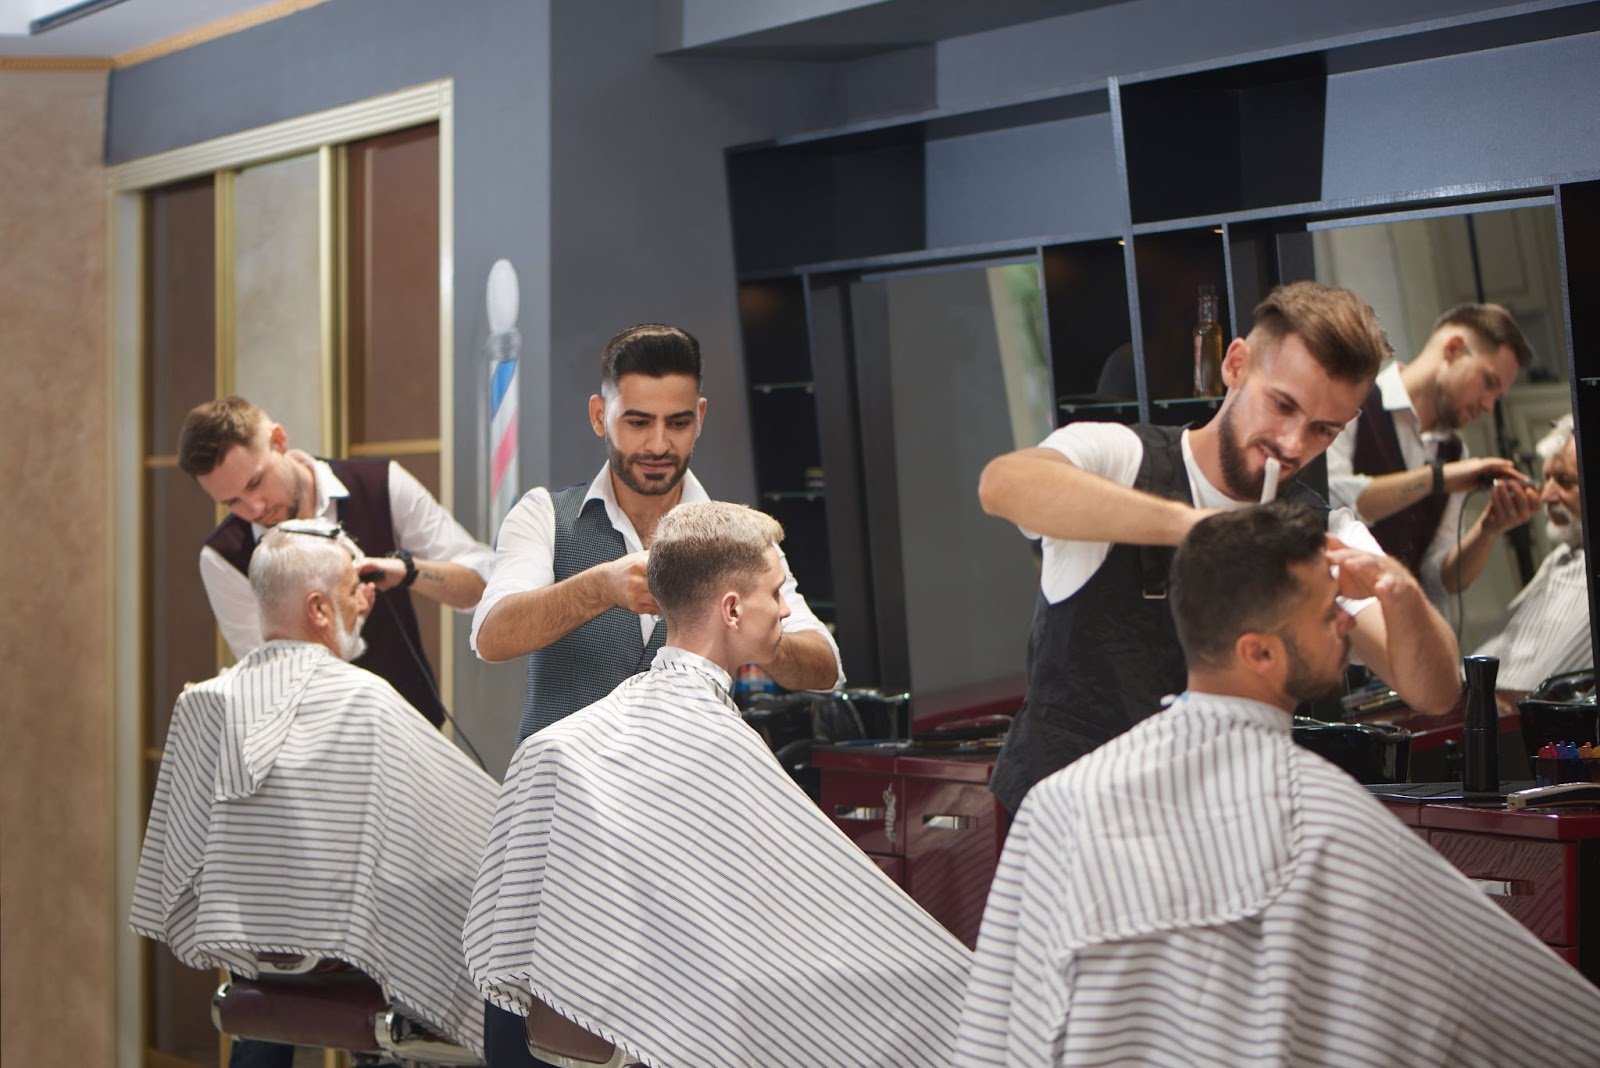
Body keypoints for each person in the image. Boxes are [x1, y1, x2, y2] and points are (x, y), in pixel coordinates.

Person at [955, 503, 1600, 1067]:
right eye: (1327, 615)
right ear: (1259, 653)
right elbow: (1533, 1017)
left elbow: (996, 1033)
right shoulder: (1325, 819)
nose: (1347, 624)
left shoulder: (1059, 804)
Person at [465, 503, 970, 1068]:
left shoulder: (565, 742)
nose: (785, 610)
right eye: (775, 594)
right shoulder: (716, 744)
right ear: (731, 609)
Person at [977, 281, 1461, 814]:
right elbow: (1003, 485)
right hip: (1065, 826)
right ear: (1235, 365)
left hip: (1211, 833)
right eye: (1282, 405)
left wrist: (1399, 592)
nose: (1293, 443)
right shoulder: (1121, 458)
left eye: (1323, 430)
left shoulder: (1321, 529)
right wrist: (1195, 527)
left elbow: (1434, 693)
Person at [129, 521, 499, 1061]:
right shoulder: (364, 701)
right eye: (352, 590)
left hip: (250, 961)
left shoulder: (207, 703)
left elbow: (180, 862)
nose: (363, 603)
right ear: (319, 609)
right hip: (352, 960)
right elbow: (484, 831)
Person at [471, 323, 842, 741]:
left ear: (700, 417)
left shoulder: (741, 539)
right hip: (562, 778)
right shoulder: (543, 516)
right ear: (599, 416)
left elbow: (825, 668)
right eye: (638, 422)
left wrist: (761, 636)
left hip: (685, 778)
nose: (659, 445)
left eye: (678, 423)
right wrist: (600, 587)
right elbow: (492, 636)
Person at [178, 395, 494, 727]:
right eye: (232, 502)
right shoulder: (224, 557)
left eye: (255, 483)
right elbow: (273, 681)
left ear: (279, 441)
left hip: (413, 725)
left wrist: (409, 571)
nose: (254, 509)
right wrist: (342, 625)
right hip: (312, 742)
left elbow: (482, 585)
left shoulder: (381, 485)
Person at [1326, 303, 1540, 601]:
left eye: (1497, 396)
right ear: (1453, 349)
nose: (1489, 406)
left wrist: (1488, 530)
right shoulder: (1355, 401)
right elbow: (1331, 501)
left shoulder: (1454, 451)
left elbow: (1438, 580)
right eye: (1488, 382)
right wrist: (1437, 478)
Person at [1475, 414, 1593, 700]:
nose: (1546, 495)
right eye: (1546, 478)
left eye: (1564, 481)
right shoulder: (1562, 556)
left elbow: (1537, 691)